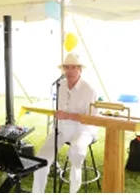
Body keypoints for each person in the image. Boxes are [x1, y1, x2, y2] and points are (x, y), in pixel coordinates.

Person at [32, 53, 98, 193]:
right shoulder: (60, 86)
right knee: (41, 158)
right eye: (66, 67)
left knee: (76, 151)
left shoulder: (89, 90)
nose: (69, 71)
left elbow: (92, 119)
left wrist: (68, 115)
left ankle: (73, 190)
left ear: (80, 69)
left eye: (73, 67)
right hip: (61, 129)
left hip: (82, 130)